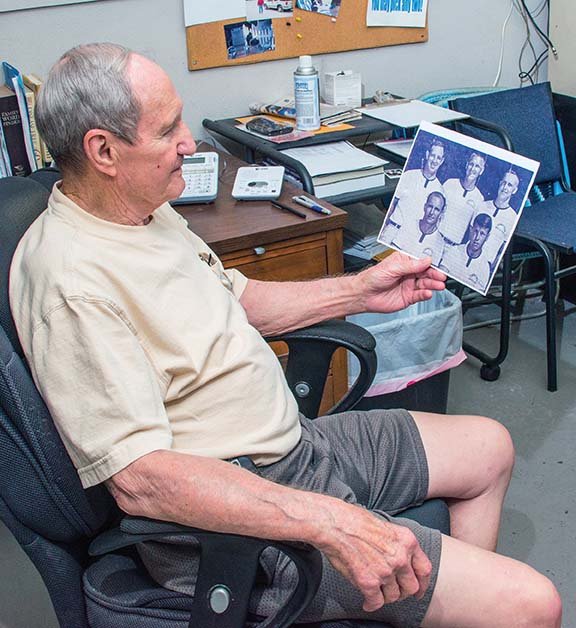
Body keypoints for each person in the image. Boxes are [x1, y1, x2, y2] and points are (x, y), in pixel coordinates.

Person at [9, 43, 562, 627]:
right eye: (167, 130)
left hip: (289, 445)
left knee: (491, 448)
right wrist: (333, 521)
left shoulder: (143, 209)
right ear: (103, 151)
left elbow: (239, 300)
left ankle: (445, 606)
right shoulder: (72, 283)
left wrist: (362, 290)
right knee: (533, 606)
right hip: (232, 515)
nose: (188, 143)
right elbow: (142, 481)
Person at [380, 138, 446, 245]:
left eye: (438, 158)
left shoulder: (440, 190)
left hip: (411, 238)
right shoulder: (409, 175)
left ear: (442, 161)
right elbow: (392, 205)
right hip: (392, 230)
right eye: (433, 155)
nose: (434, 161)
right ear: (427, 154)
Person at [439, 151, 486, 248]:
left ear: (481, 171)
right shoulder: (450, 184)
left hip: (452, 248)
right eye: (471, 164)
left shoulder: (479, 199)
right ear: (467, 165)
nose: (473, 169)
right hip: (435, 238)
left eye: (477, 166)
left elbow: (472, 229)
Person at [477, 169, 521, 267]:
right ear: (500, 183)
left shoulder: (512, 217)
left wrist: (492, 266)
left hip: (486, 265)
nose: (505, 187)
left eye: (509, 185)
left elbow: (503, 249)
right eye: (504, 183)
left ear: (514, 190)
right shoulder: (482, 206)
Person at [439, 213, 493, 293]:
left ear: (487, 237)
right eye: (475, 231)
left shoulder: (485, 267)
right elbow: (440, 279)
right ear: (471, 230)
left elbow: (478, 295)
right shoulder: (454, 251)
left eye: (482, 234)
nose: (477, 238)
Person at [390, 191, 447, 266]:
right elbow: (394, 252)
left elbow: (431, 268)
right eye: (430, 206)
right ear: (425, 207)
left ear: (441, 214)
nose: (432, 212)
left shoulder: (440, 242)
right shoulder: (409, 224)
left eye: (437, 209)